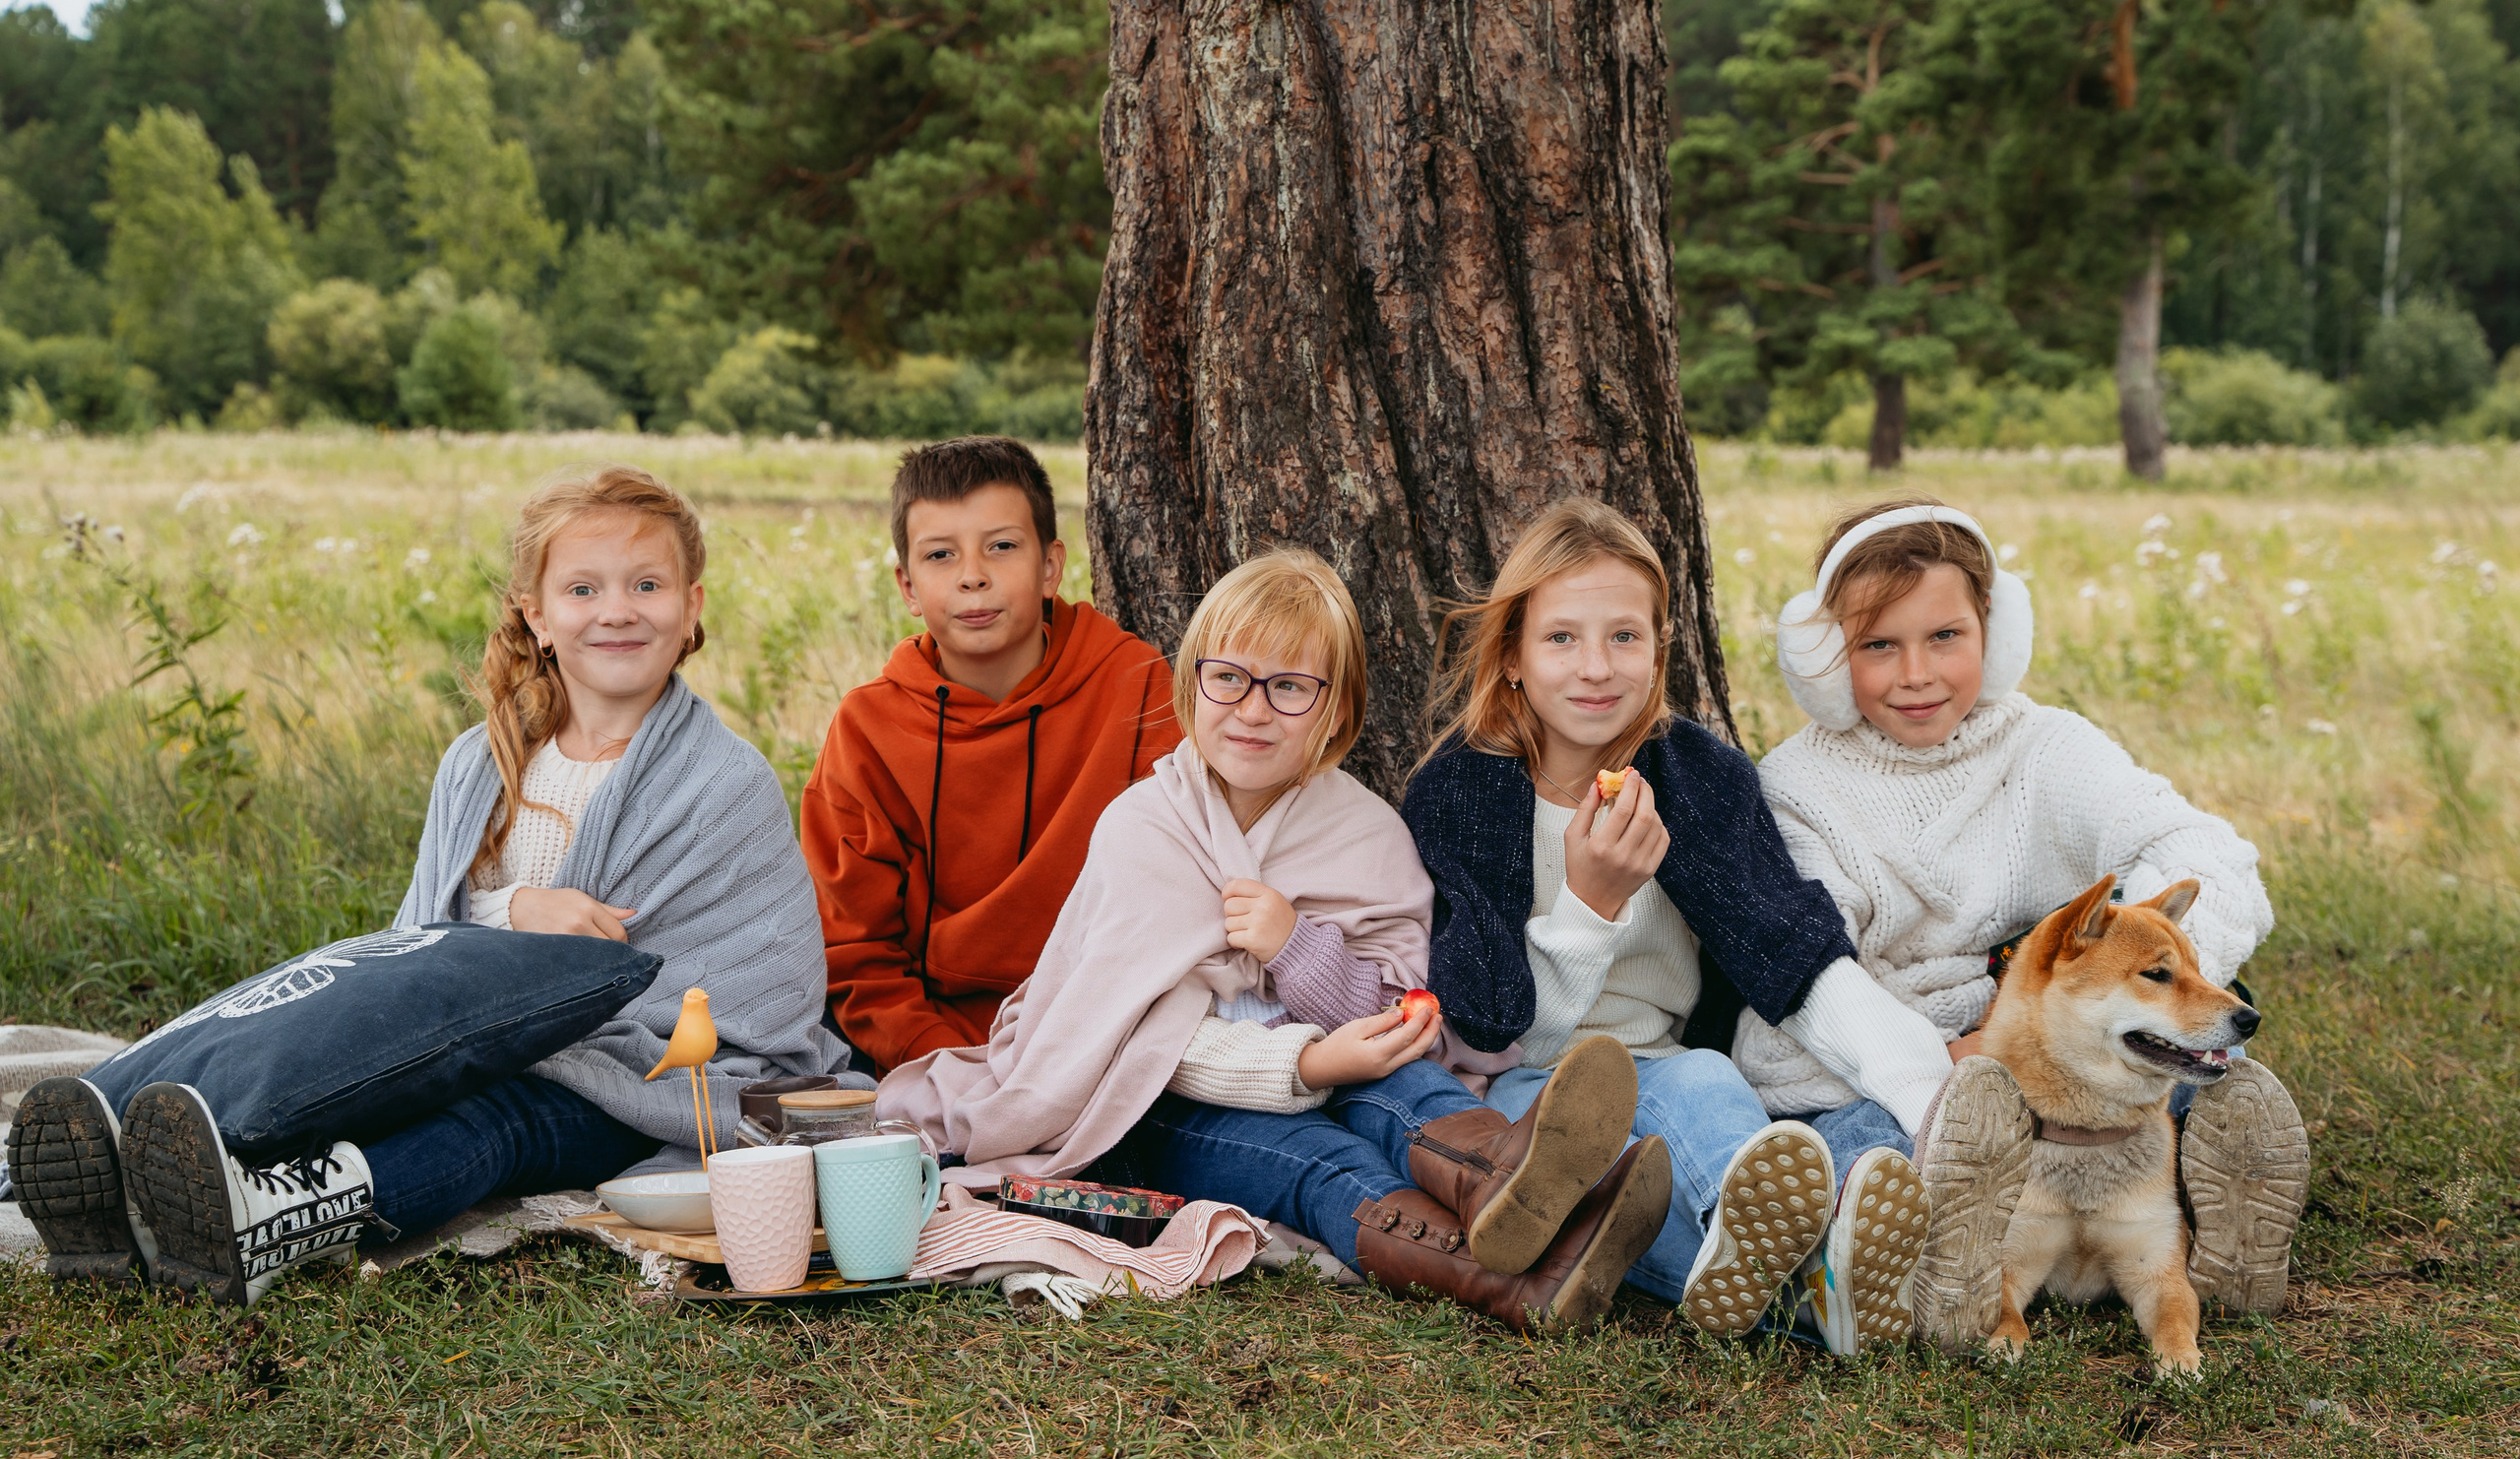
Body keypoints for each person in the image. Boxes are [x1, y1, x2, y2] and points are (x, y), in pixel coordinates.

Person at [12, 465, 861, 1304]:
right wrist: (513, 911)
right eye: (583, 588)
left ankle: (276, 1214)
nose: (618, 610)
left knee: (495, 1125)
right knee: (352, 1078)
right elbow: (413, 945)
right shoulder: (478, 765)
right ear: (537, 612)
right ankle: (141, 1179)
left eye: (648, 584)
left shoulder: (723, 780)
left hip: (635, 1077)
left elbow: (761, 978)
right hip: (474, 1036)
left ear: (693, 605)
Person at [877, 548, 1670, 1334]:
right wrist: (1309, 1063)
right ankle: (1515, 1282)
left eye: (1289, 687)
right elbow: (1131, 1043)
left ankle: (1500, 1179)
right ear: (1193, 683)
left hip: (1354, 1069)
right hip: (1181, 1112)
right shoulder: (1143, 829)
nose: (1253, 710)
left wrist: (1298, 948)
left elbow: (1401, 1007)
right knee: (1318, 1166)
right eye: (1230, 678)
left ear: (1337, 707)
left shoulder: (1363, 832)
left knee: (1410, 1092)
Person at [1400, 498, 2031, 1358]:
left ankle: (1811, 1253)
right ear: (1511, 653)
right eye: (1561, 639)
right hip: (1530, 1091)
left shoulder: (1693, 775)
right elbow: (1495, 1025)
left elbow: (1796, 961)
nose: (1596, 668)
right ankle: (1824, 1287)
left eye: (1625, 636)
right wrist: (1590, 902)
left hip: (1666, 1066)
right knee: (1620, 1187)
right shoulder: (1462, 790)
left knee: (1790, 1112)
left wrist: (1930, 1103)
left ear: (1660, 648)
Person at [1740, 496, 2308, 1316]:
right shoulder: (1798, 789)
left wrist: (2120, 990)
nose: (1917, 674)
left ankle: (2209, 1238)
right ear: (1828, 661)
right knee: (1862, 1149)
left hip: (2061, 1050)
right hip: (1901, 1061)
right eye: (1878, 646)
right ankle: (1935, 1247)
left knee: (2197, 1071)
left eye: (1945, 636)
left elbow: (2212, 853)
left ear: (1995, 634)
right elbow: (1821, 985)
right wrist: (1956, 1053)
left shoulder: (2047, 749)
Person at [801, 436, 1179, 1073]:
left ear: (1050, 566)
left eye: (1001, 546)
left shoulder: (1137, 686)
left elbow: (1174, 899)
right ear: (909, 586)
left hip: (1110, 1041)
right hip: (932, 1052)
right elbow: (856, 952)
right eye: (941, 555)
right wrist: (952, 1068)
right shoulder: (868, 728)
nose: (973, 574)